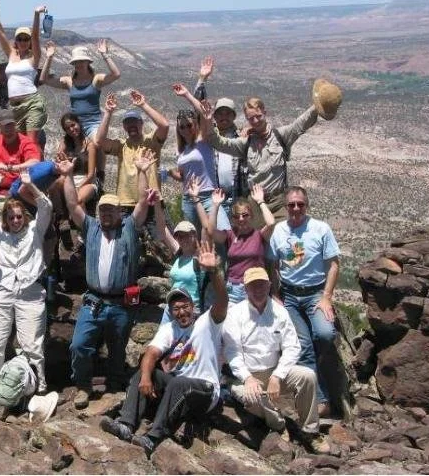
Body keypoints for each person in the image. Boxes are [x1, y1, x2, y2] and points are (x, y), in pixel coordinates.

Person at [99, 241, 227, 457]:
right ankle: (126, 424)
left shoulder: (207, 322)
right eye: (175, 309)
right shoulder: (170, 328)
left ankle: (152, 438)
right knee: (144, 371)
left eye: (185, 306)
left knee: (178, 382)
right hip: (179, 389)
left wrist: (214, 271)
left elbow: (222, 300)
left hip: (206, 390)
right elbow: (152, 353)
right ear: (170, 311)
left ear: (193, 306)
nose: (181, 312)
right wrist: (146, 378)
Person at [58, 148, 156, 409]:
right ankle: (82, 386)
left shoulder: (129, 228)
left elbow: (143, 203)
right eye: (103, 210)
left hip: (120, 303)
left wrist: (144, 172)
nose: (106, 214)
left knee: (117, 349)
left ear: (118, 213)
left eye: (111, 210)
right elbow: (71, 205)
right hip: (93, 301)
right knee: (80, 345)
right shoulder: (91, 227)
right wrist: (68, 175)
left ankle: (114, 387)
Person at [223, 267, 331, 453]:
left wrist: (277, 376)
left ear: (269, 286)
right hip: (247, 375)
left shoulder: (280, 312)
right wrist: (248, 378)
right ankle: (279, 424)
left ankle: (310, 431)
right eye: (253, 286)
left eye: (261, 285)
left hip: (274, 370)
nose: (258, 290)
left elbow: (292, 346)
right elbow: (233, 352)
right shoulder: (235, 314)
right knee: (248, 395)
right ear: (245, 289)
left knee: (307, 376)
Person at [0, 168, 53, 406]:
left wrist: (29, 185)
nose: (16, 220)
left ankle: (39, 388)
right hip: (2, 290)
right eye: (11, 217)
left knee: (32, 343)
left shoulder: (34, 232)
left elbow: (46, 207)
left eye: (19, 216)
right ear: (6, 219)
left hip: (30, 292)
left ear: (24, 217)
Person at [269, 186, 340, 417]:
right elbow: (272, 264)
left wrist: (327, 297)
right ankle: (321, 400)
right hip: (289, 296)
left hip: (315, 294)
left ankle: (329, 383)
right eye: (291, 204)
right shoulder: (279, 230)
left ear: (306, 205)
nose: (296, 208)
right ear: (286, 207)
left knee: (325, 334)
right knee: (302, 346)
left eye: (300, 204)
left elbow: (334, 264)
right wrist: (275, 293)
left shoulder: (320, 228)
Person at [206, 91, 325, 227]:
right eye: (251, 118)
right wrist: (208, 121)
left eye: (258, 116)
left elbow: (300, 124)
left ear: (265, 112)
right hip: (254, 204)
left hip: (279, 202)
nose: (255, 121)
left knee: (283, 239)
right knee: (257, 243)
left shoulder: (280, 136)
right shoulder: (245, 143)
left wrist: (317, 106)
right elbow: (220, 143)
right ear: (247, 119)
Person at [93, 90, 169, 218]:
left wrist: (143, 105)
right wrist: (108, 113)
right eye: (128, 122)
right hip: (125, 204)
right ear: (124, 126)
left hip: (152, 200)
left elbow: (164, 125)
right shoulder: (120, 146)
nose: (131, 125)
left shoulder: (152, 141)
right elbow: (99, 141)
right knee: (127, 238)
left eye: (134, 122)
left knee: (160, 237)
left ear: (141, 124)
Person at [169, 81, 232, 235]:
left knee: (221, 234)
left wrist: (186, 95)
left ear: (195, 125)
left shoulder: (203, 141)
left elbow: (204, 115)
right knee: (194, 239)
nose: (185, 130)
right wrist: (169, 173)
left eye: (189, 125)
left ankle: (222, 259)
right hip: (188, 198)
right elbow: (184, 177)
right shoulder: (181, 151)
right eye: (181, 127)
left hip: (209, 196)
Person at [0, 0, 47, 143]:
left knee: (30, 143)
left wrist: (36, 14)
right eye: (20, 38)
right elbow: (0, 33)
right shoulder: (11, 54)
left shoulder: (34, 57)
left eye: (26, 39)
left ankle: (36, 166)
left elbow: (36, 36)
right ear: (16, 41)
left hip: (32, 102)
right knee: (18, 143)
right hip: (14, 107)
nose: (23, 42)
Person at [205, 184, 275, 306]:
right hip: (234, 289)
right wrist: (215, 205)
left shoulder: (259, 235)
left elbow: (271, 223)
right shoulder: (229, 235)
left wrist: (260, 201)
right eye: (237, 216)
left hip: (256, 287)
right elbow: (210, 231)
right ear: (232, 219)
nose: (241, 219)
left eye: (245, 215)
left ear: (251, 216)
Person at [39, 39, 121, 140]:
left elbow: (116, 74)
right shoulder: (69, 82)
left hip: (93, 124)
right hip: (75, 125)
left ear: (88, 62)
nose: (78, 64)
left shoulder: (96, 80)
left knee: (96, 143)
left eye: (81, 61)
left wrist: (105, 55)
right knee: (63, 151)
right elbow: (44, 79)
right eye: (76, 62)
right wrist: (49, 57)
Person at [153, 177, 205, 318]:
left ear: (194, 235)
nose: (183, 239)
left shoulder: (201, 257)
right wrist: (157, 203)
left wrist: (196, 199)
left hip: (192, 312)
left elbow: (207, 228)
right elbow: (162, 230)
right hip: (172, 309)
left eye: (187, 235)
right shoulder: (179, 253)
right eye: (180, 236)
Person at [50, 113, 99, 213]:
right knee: (53, 188)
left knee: (78, 199)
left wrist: (78, 187)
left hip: (87, 181)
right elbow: (58, 159)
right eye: (68, 128)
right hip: (70, 178)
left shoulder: (90, 145)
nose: (72, 129)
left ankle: (84, 226)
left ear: (79, 123)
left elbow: (91, 175)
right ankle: (62, 216)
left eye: (73, 125)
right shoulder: (65, 142)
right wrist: (60, 159)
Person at [212, 96, 248, 217]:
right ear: (214, 116)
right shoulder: (209, 138)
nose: (224, 117)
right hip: (216, 198)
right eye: (220, 114)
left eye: (228, 113)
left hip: (237, 197)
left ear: (234, 116)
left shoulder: (241, 137)